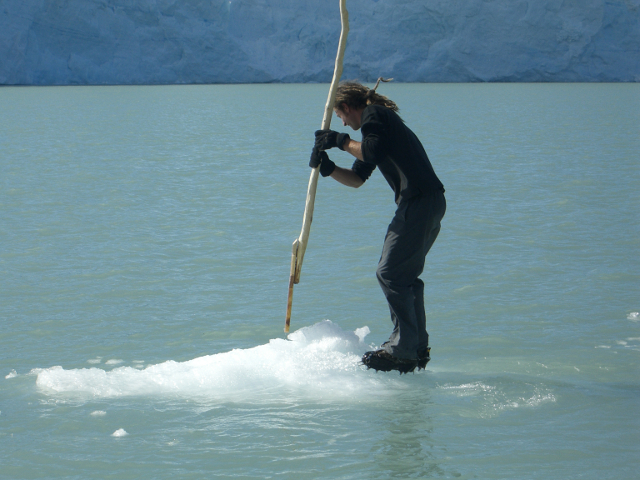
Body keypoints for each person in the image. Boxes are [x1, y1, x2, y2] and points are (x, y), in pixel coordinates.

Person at [310, 78, 446, 374]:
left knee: (390, 273)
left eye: (341, 116)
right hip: (429, 202)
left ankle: (404, 349)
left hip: (419, 202)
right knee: (404, 276)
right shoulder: (377, 130)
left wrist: (339, 141)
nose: (343, 123)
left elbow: (368, 151)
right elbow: (358, 178)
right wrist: (328, 168)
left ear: (347, 106)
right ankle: (417, 347)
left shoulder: (375, 115)